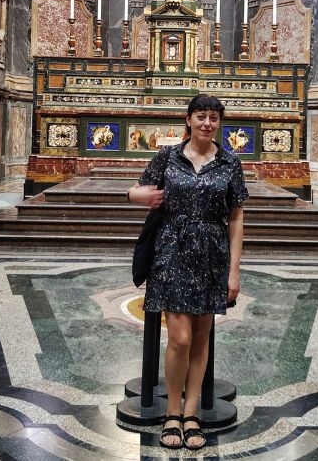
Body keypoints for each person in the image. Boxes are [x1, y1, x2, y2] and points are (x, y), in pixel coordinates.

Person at [127, 94, 248, 450]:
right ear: (189, 120)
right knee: (179, 338)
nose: (207, 123)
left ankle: (191, 412)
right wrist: (140, 197)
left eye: (213, 117)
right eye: (200, 117)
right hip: (171, 252)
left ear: (219, 122)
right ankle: (172, 412)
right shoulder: (167, 157)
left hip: (212, 255)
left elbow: (237, 217)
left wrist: (234, 271)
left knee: (200, 338)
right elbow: (135, 190)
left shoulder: (229, 162)